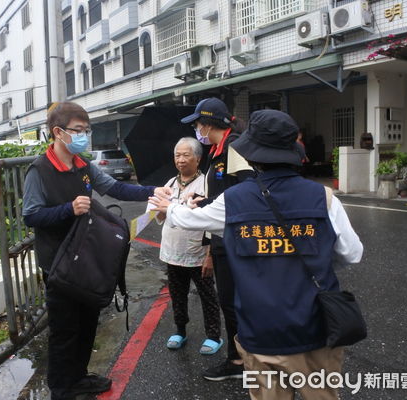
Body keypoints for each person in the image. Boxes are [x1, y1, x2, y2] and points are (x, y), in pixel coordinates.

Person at [150, 109, 363, 400]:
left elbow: (188, 220)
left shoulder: (233, 200)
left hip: (260, 333)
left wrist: (169, 205)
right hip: (316, 331)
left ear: (253, 156)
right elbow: (352, 254)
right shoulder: (324, 197)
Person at [22, 101, 172, 400]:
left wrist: (151, 191)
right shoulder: (39, 170)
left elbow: (116, 189)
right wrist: (68, 209)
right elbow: (31, 215)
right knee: (65, 330)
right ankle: (62, 389)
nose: (83, 137)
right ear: (58, 132)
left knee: (87, 322)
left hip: (87, 258)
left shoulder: (84, 166)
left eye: (86, 131)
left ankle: (79, 377)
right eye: (78, 131)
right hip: (59, 262)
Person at [180, 97, 253, 380]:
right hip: (224, 237)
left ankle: (239, 362)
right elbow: (226, 192)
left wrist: (204, 203)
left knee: (234, 302)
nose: (198, 130)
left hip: (235, 238)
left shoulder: (234, 148)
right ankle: (241, 357)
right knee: (231, 301)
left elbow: (244, 192)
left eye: (198, 124)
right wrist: (205, 201)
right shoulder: (220, 150)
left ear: (208, 125)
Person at [152, 137, 222, 354]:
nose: (181, 160)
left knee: (207, 294)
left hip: (198, 251)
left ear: (198, 158)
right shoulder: (169, 185)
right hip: (172, 251)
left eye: (186, 155)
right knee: (177, 294)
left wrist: (210, 254)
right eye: (177, 155)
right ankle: (180, 330)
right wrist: (161, 207)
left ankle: (213, 335)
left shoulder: (206, 184)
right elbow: (160, 218)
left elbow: (212, 222)